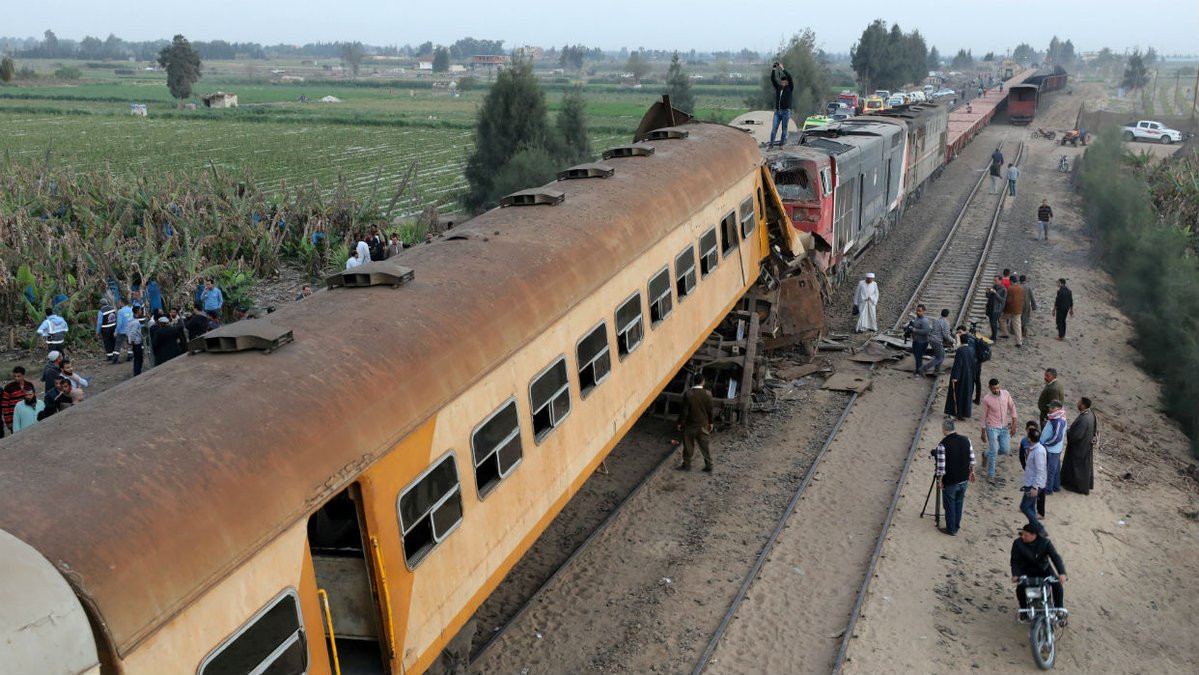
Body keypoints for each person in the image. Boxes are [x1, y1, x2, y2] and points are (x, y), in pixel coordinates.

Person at [1011, 523, 1067, 621]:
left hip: (1044, 570)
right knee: (1020, 588)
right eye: (1022, 534)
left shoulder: (1045, 543)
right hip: (1026, 570)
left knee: (1057, 585)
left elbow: (1055, 557)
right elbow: (1014, 560)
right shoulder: (1017, 543)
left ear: (1034, 535)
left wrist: (1062, 573)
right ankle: (1024, 609)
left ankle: (1059, 609)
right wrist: (1015, 574)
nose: (1023, 537)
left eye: (1026, 535)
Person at [934, 418, 976, 536]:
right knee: (959, 503)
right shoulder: (966, 440)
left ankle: (951, 529)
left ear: (944, 429)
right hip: (963, 479)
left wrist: (940, 480)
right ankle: (956, 525)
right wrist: (972, 472)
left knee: (950, 505)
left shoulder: (943, 445)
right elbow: (972, 460)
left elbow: (941, 467)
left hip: (951, 481)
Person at [980, 378, 1019, 482]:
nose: (996, 390)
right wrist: (983, 432)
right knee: (994, 450)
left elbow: (1012, 408)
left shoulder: (1006, 394)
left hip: (1004, 427)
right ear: (989, 388)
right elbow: (983, 416)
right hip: (991, 427)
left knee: (1005, 449)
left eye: (997, 388)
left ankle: (985, 454)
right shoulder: (986, 399)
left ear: (999, 386)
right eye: (993, 389)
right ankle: (991, 475)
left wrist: (1014, 424)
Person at [676, 372, 715, 472]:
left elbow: (684, 411)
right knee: (705, 446)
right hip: (703, 425)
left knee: (688, 446)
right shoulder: (708, 394)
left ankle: (687, 465)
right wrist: (711, 422)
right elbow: (710, 410)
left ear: (693, 381)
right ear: (703, 382)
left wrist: (680, 423)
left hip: (690, 425)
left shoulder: (688, 394)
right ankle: (709, 465)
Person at [1062, 397, 1098, 495]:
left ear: (1083, 405)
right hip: (1085, 445)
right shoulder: (1091, 414)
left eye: (1079, 402)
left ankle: (1076, 486)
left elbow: (1076, 436)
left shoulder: (1084, 419)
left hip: (1079, 447)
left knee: (1076, 468)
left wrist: (1068, 432)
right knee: (1083, 467)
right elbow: (1095, 429)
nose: (1077, 403)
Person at [1020, 434, 1049, 536]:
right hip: (1031, 482)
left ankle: (1039, 528)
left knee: (1024, 507)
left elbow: (1040, 470)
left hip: (1033, 484)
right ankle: (1034, 530)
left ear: (1029, 439)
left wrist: (1035, 487)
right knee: (1031, 506)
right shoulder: (1037, 449)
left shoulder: (1038, 451)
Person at [945, 333, 977, 420]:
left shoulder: (960, 350)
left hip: (961, 376)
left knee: (956, 394)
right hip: (969, 376)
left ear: (961, 340)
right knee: (966, 394)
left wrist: (955, 377)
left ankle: (953, 413)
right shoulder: (972, 350)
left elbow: (958, 364)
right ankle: (963, 413)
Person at [1019, 421, 1046, 519]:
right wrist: (1024, 466)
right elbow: (1022, 455)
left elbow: (1040, 468)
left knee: (1025, 507)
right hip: (1030, 476)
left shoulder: (1040, 448)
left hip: (1035, 481)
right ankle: (1034, 526)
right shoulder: (1024, 441)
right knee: (1030, 504)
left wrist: (1035, 486)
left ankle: (1038, 524)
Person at [1040, 400, 1068, 495]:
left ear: (1057, 408)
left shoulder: (1059, 420)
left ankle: (1048, 490)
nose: (1050, 409)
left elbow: (1057, 437)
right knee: (1055, 469)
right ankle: (1056, 486)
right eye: (1050, 407)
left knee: (1050, 470)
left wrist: (1046, 443)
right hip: (1054, 449)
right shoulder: (1057, 416)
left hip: (1052, 449)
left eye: (1052, 407)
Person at [2, 367, 36, 433]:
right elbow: (5, 405)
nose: (16, 378)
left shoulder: (29, 385)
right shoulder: (9, 387)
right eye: (14, 376)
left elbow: (34, 399)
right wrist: (8, 421)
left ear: (23, 375)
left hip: (28, 416)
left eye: (18, 376)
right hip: (15, 418)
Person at [768, 63, 794, 148]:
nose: (782, 83)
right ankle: (771, 144)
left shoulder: (790, 88)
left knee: (784, 130)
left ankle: (781, 144)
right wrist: (774, 69)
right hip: (777, 112)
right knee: (774, 129)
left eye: (784, 82)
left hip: (786, 112)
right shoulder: (778, 88)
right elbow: (772, 79)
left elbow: (789, 76)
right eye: (781, 82)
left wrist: (783, 69)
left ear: (787, 82)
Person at [922, 309, 954, 377]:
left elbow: (932, 329)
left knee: (942, 355)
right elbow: (946, 335)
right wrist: (953, 340)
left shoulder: (936, 320)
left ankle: (936, 371)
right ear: (948, 315)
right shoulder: (946, 323)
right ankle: (923, 369)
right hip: (937, 341)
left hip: (932, 339)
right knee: (939, 358)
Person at [907, 304, 931, 378]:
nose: (917, 312)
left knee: (918, 357)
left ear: (924, 311)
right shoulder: (917, 318)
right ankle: (919, 370)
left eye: (919, 311)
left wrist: (915, 330)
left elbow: (926, 331)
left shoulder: (925, 321)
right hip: (916, 341)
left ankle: (918, 372)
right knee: (917, 356)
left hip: (922, 342)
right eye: (917, 311)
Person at [1002, 276, 1025, 347]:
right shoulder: (1021, 288)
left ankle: (1005, 333)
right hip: (1018, 309)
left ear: (1011, 281)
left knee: (1002, 320)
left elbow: (1008, 300)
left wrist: (1004, 309)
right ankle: (1019, 342)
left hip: (1010, 309)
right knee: (1017, 325)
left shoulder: (1010, 288)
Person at [985, 276, 1007, 342]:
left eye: (996, 280)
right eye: (994, 280)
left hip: (996, 309)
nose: (994, 282)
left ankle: (994, 337)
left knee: (993, 322)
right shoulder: (993, 287)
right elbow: (988, 296)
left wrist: (995, 293)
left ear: (1000, 281)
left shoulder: (1003, 289)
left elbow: (1002, 300)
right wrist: (987, 292)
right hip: (990, 307)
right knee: (991, 322)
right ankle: (993, 335)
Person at [95, 297, 118, 362]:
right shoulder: (112, 308)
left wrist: (97, 332)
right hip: (113, 327)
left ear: (101, 304)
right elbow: (115, 317)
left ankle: (110, 356)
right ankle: (114, 354)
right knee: (113, 341)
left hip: (105, 329)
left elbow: (99, 323)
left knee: (107, 342)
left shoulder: (101, 311)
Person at [127, 305, 145, 376]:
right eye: (140, 310)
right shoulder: (136, 322)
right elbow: (133, 333)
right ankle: (137, 373)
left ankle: (136, 372)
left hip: (134, 342)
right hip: (136, 342)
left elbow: (128, 331)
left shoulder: (130, 320)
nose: (141, 311)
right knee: (139, 358)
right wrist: (132, 342)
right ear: (137, 311)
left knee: (136, 358)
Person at [114, 298, 133, 363]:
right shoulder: (131, 310)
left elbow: (119, 323)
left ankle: (116, 358)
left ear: (122, 303)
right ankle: (130, 356)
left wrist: (116, 331)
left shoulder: (120, 311)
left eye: (119, 302)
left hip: (122, 331)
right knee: (130, 343)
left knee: (118, 344)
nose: (118, 303)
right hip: (130, 330)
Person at [1019, 274, 1036, 339]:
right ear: (1025, 280)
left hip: (1018, 305)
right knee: (1025, 318)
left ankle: (1017, 330)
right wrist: (1034, 306)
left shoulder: (1017, 286)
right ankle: (1023, 330)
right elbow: (1032, 298)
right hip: (1026, 305)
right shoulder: (1028, 288)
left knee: (1018, 317)